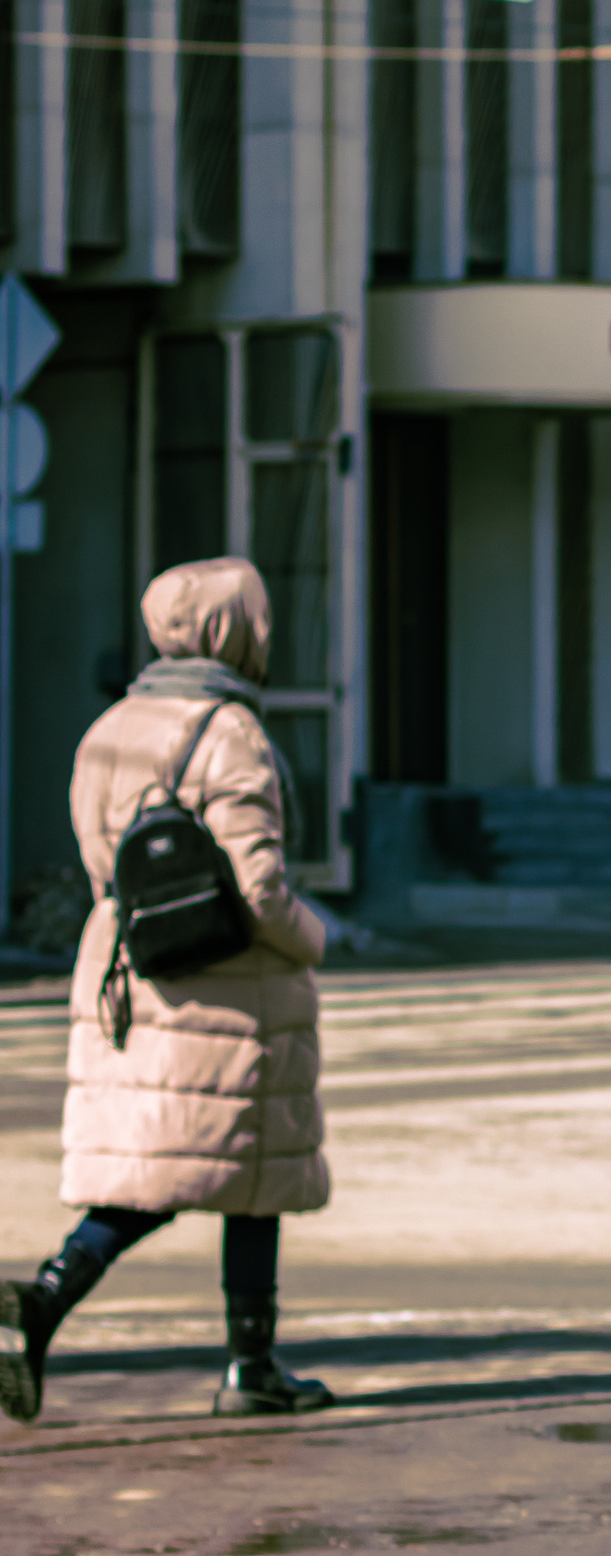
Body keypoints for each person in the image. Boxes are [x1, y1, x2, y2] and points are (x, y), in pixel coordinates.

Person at [0, 558, 334, 1423]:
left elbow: (101, 862)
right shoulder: (231, 731)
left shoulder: (110, 726)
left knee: (158, 1165)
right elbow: (259, 889)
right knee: (250, 1170)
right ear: (233, 630)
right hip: (227, 986)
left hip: (130, 967)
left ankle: (46, 1296)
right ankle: (249, 1367)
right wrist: (316, 936)